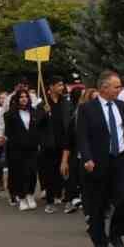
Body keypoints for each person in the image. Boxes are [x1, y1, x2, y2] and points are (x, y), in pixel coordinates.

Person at [75, 70, 124, 247]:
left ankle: (116, 234)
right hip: (98, 162)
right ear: (104, 87)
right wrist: (87, 158)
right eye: (117, 86)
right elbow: (82, 136)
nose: (120, 90)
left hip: (121, 159)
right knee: (98, 204)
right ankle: (100, 242)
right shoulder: (87, 109)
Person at [2, 88, 45, 211]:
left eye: (26, 97)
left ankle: (30, 195)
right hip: (17, 149)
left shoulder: (34, 112)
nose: (24, 99)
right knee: (19, 173)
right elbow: (9, 133)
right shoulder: (9, 114)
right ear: (16, 99)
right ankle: (21, 197)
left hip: (32, 148)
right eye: (21, 97)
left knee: (32, 172)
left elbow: (39, 128)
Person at [39, 78, 71, 212]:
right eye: (59, 85)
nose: (61, 87)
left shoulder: (66, 102)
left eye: (62, 84)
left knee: (64, 171)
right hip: (49, 144)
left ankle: (63, 195)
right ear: (51, 87)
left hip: (64, 142)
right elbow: (37, 124)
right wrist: (44, 113)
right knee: (49, 172)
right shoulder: (43, 104)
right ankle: (50, 200)